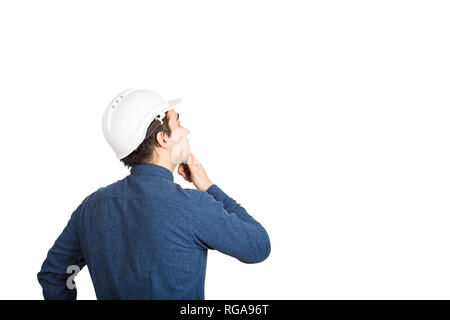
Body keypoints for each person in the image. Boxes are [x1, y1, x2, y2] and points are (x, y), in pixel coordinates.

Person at [37, 89, 271, 300]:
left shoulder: (91, 208)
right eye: (178, 123)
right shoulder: (193, 206)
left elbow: (55, 274)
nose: (186, 130)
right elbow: (258, 247)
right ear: (163, 138)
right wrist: (209, 187)